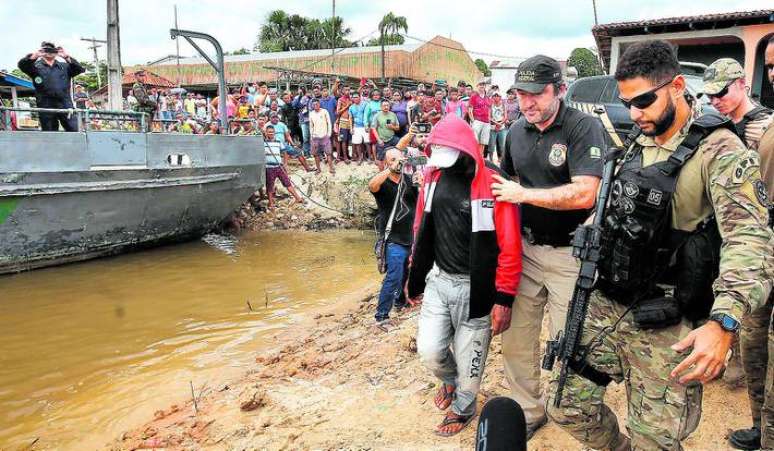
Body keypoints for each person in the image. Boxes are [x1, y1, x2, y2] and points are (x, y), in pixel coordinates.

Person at [543, 39, 773, 451]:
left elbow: (750, 239)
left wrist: (723, 323)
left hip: (666, 319)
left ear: (677, 85)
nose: (634, 112)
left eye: (644, 100)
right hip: (606, 303)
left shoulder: (719, 150)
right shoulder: (638, 138)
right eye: (627, 102)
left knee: (656, 440)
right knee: (565, 405)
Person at [491, 54, 606, 439]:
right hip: (525, 250)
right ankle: (528, 409)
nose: (527, 103)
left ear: (559, 89)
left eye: (536, 94)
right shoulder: (514, 132)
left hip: (568, 255)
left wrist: (524, 195)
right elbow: (503, 186)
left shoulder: (582, 128)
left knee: (566, 339)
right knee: (517, 338)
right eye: (521, 94)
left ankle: (569, 408)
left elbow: (586, 193)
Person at [407, 115, 522, 437]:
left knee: (472, 358)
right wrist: (414, 272)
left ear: (467, 149)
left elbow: (510, 245)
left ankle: (464, 407)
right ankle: (449, 380)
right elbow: (420, 226)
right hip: (439, 280)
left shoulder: (493, 182)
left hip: (478, 288)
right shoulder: (432, 176)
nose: (445, 163)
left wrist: (504, 298)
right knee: (429, 350)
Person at [700, 57, 774, 450]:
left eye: (723, 92)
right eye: (710, 95)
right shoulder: (718, 129)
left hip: (765, 242)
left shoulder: (767, 126)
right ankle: (759, 426)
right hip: (737, 246)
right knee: (752, 340)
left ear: (742, 84)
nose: (716, 101)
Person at [369, 148, 420, 328]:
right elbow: (372, 185)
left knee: (406, 273)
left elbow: (420, 203)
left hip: (410, 237)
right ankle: (381, 316)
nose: (397, 162)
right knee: (394, 276)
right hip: (393, 239)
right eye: (392, 160)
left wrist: (421, 184)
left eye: (400, 159)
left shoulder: (409, 180)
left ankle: (400, 303)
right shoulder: (382, 184)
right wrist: (390, 170)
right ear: (386, 163)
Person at [17, 41, 85, 131]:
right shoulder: (35, 67)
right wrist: (35, 56)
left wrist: (66, 56)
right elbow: (22, 65)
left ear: (56, 51)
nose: (49, 52)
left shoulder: (64, 66)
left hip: (65, 103)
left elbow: (79, 69)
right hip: (45, 104)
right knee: (50, 134)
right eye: (46, 49)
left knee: (76, 130)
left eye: (51, 49)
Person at [263, 125, 305, 209]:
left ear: (274, 132)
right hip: (269, 167)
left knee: (287, 182)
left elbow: (284, 152)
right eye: (269, 132)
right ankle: (271, 203)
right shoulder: (263, 142)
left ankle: (298, 198)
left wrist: (285, 163)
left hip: (279, 166)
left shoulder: (278, 141)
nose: (271, 133)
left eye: (272, 132)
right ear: (266, 133)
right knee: (270, 185)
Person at [372, 100, 400, 170]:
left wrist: (392, 127)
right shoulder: (377, 115)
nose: (386, 107)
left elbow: (398, 127)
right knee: (380, 159)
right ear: (381, 107)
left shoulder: (393, 115)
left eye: (387, 105)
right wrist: (379, 140)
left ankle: (396, 169)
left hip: (392, 138)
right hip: (382, 140)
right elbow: (373, 128)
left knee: (400, 150)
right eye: (384, 105)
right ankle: (381, 174)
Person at [309, 99, 334, 174]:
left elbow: (329, 123)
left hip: (325, 136)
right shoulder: (311, 113)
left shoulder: (324, 111)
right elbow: (311, 126)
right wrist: (311, 136)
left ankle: (331, 168)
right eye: (314, 104)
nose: (315, 105)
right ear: (312, 105)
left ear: (319, 104)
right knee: (315, 154)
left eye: (317, 104)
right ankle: (318, 169)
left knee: (328, 153)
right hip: (315, 137)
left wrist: (329, 134)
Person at [469, 80, 492, 155]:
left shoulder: (488, 98)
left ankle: (480, 156)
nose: (482, 86)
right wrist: (473, 121)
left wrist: (489, 119)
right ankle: (474, 155)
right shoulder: (474, 96)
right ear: (477, 86)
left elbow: (489, 109)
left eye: (483, 85)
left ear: (485, 86)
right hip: (477, 120)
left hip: (486, 122)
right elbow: (470, 109)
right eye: (480, 84)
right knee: (475, 140)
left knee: (483, 141)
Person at [349, 93, 369, 164]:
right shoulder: (351, 107)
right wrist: (351, 128)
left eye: (356, 97)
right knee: (357, 143)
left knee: (367, 142)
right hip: (356, 127)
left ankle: (368, 157)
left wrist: (366, 125)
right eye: (353, 97)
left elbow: (366, 115)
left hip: (364, 126)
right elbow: (350, 118)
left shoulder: (365, 104)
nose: (355, 99)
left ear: (360, 97)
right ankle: (360, 157)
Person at [488, 92, 507, 162]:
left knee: (502, 145)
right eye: (494, 96)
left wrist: (500, 124)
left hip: (501, 127)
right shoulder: (491, 105)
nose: (496, 97)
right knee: (491, 145)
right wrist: (496, 124)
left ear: (500, 97)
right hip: (493, 127)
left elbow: (505, 117)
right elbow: (489, 117)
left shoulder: (503, 105)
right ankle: (491, 159)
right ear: (492, 97)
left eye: (497, 96)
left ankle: (501, 159)